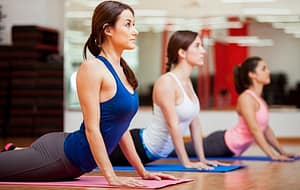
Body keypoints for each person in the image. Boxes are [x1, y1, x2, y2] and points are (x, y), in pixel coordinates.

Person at [0, 1, 175, 187]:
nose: (135, 31)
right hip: (59, 157)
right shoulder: (92, 68)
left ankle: (14, 151)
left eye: (134, 24)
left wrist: (143, 172)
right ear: (108, 29)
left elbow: (121, 129)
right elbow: (92, 129)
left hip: (71, 160)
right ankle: (15, 153)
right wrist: (111, 177)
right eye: (128, 24)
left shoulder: (124, 71)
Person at [109, 30, 227, 169]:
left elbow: (194, 124)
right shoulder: (167, 83)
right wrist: (186, 163)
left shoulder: (187, 82)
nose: (203, 51)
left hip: (150, 152)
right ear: (182, 53)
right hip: (140, 146)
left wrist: (202, 159)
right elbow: (173, 125)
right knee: (90, 156)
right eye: (197, 46)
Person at [182, 56, 300, 161]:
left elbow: (266, 129)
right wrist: (271, 155)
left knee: (178, 149)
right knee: (175, 151)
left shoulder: (259, 99)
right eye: (264, 68)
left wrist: (282, 152)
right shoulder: (246, 98)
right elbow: (254, 130)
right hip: (221, 144)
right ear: (252, 74)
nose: (268, 71)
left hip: (229, 149)